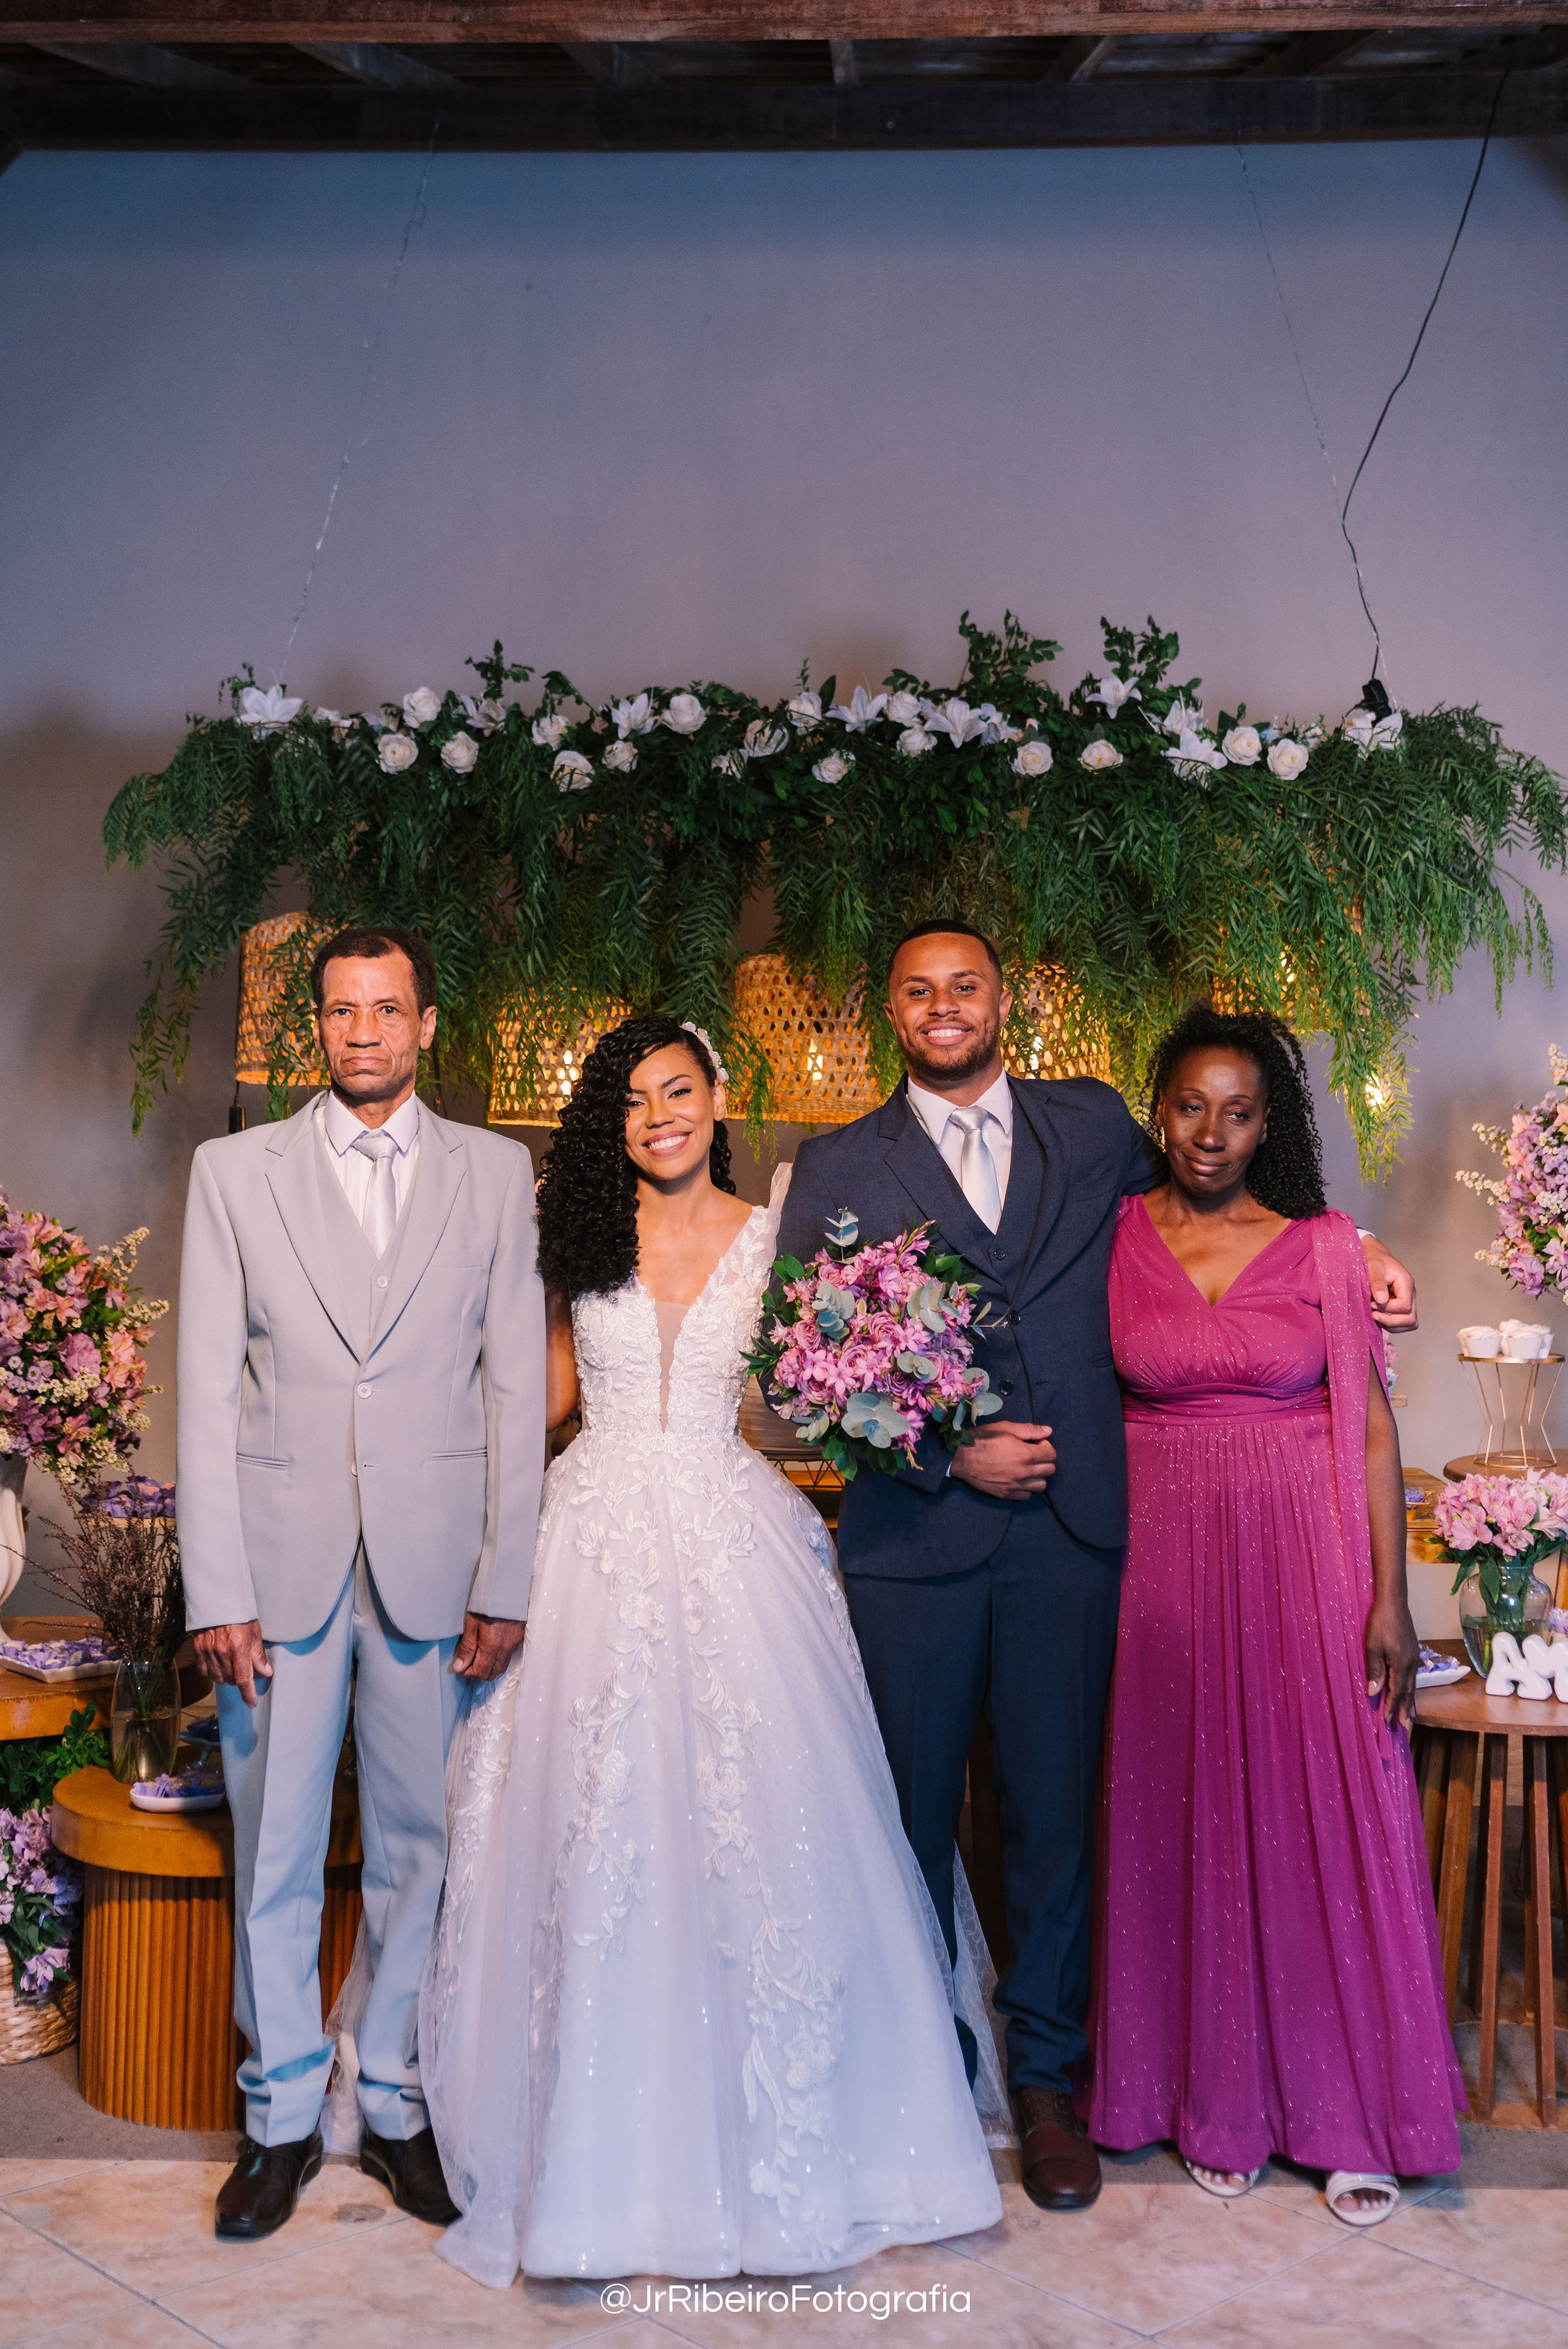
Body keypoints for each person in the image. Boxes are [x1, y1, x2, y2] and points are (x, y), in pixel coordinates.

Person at [776, 924, 1419, 2215]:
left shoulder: (1097, 1128)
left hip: (1075, 1549)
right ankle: (904, 2083)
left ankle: (1047, 2087)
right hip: (914, 1551)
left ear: (1002, 998)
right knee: (897, 1826)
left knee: (1053, 1826)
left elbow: (1231, 1202)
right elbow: (808, 1367)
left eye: (966, 984)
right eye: (919, 989)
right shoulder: (840, 1164)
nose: (944, 1006)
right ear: (887, 1011)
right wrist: (952, 1453)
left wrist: (1359, 1254)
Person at [421, 1014, 1002, 2287]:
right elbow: (553, 1399)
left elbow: (805, 1390)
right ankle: (602, 2158)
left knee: (760, 1830)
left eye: (674, 1091)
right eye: (630, 1102)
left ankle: (788, 2145)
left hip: (738, 1532)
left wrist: (886, 1379)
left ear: (714, 1095)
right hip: (591, 1535)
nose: (657, 1117)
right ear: (609, 1124)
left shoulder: (777, 1225)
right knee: (601, 1835)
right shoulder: (572, 1235)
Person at [176, 925, 544, 2243]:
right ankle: (275, 2117)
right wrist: (212, 1587)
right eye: (340, 1012)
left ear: (428, 1024)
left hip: (434, 1566)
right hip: (274, 1574)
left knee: (419, 1851)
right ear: (313, 1027)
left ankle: (391, 2099)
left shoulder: (496, 1174)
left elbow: (513, 1383)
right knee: (271, 1850)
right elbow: (205, 1389)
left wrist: (505, 1576)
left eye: (387, 1010)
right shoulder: (233, 1173)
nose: (364, 1033)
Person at [1085, 1005, 1461, 2223]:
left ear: (1269, 1125)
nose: (1211, 1132)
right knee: (1185, 1814)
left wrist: (1389, 1601)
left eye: (1239, 1111)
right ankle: (1218, 2102)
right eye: (1190, 1105)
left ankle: (1353, 2119)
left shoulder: (1325, 1248)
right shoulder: (1111, 1234)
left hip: (1306, 1559)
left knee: (1324, 1816)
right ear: (1159, 1111)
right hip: (1161, 1567)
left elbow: (1370, 1421)